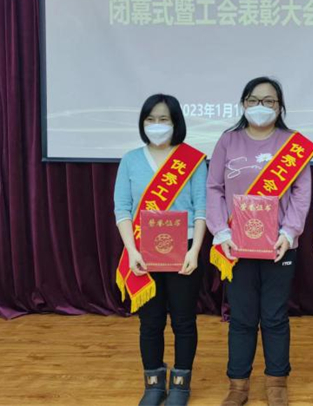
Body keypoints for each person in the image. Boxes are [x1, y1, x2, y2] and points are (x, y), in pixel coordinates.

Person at [206, 77, 313, 406]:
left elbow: (301, 192)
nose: (260, 107)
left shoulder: (292, 144)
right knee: (241, 317)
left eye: (269, 101)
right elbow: (213, 188)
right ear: (243, 104)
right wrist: (221, 233)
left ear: (279, 107)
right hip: (236, 246)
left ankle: (277, 384)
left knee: (275, 316)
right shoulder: (228, 140)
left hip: (280, 245)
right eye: (254, 100)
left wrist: (289, 232)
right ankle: (238, 386)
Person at [114, 94, 208, 406]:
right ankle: (153, 384)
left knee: (183, 321)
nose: (156, 125)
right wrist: (132, 251)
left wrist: (195, 251)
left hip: (184, 251)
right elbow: (122, 209)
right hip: (143, 252)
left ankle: (180, 385)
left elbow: (201, 209)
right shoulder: (131, 159)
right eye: (150, 119)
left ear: (175, 122)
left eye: (163, 119)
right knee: (151, 322)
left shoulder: (192, 160)